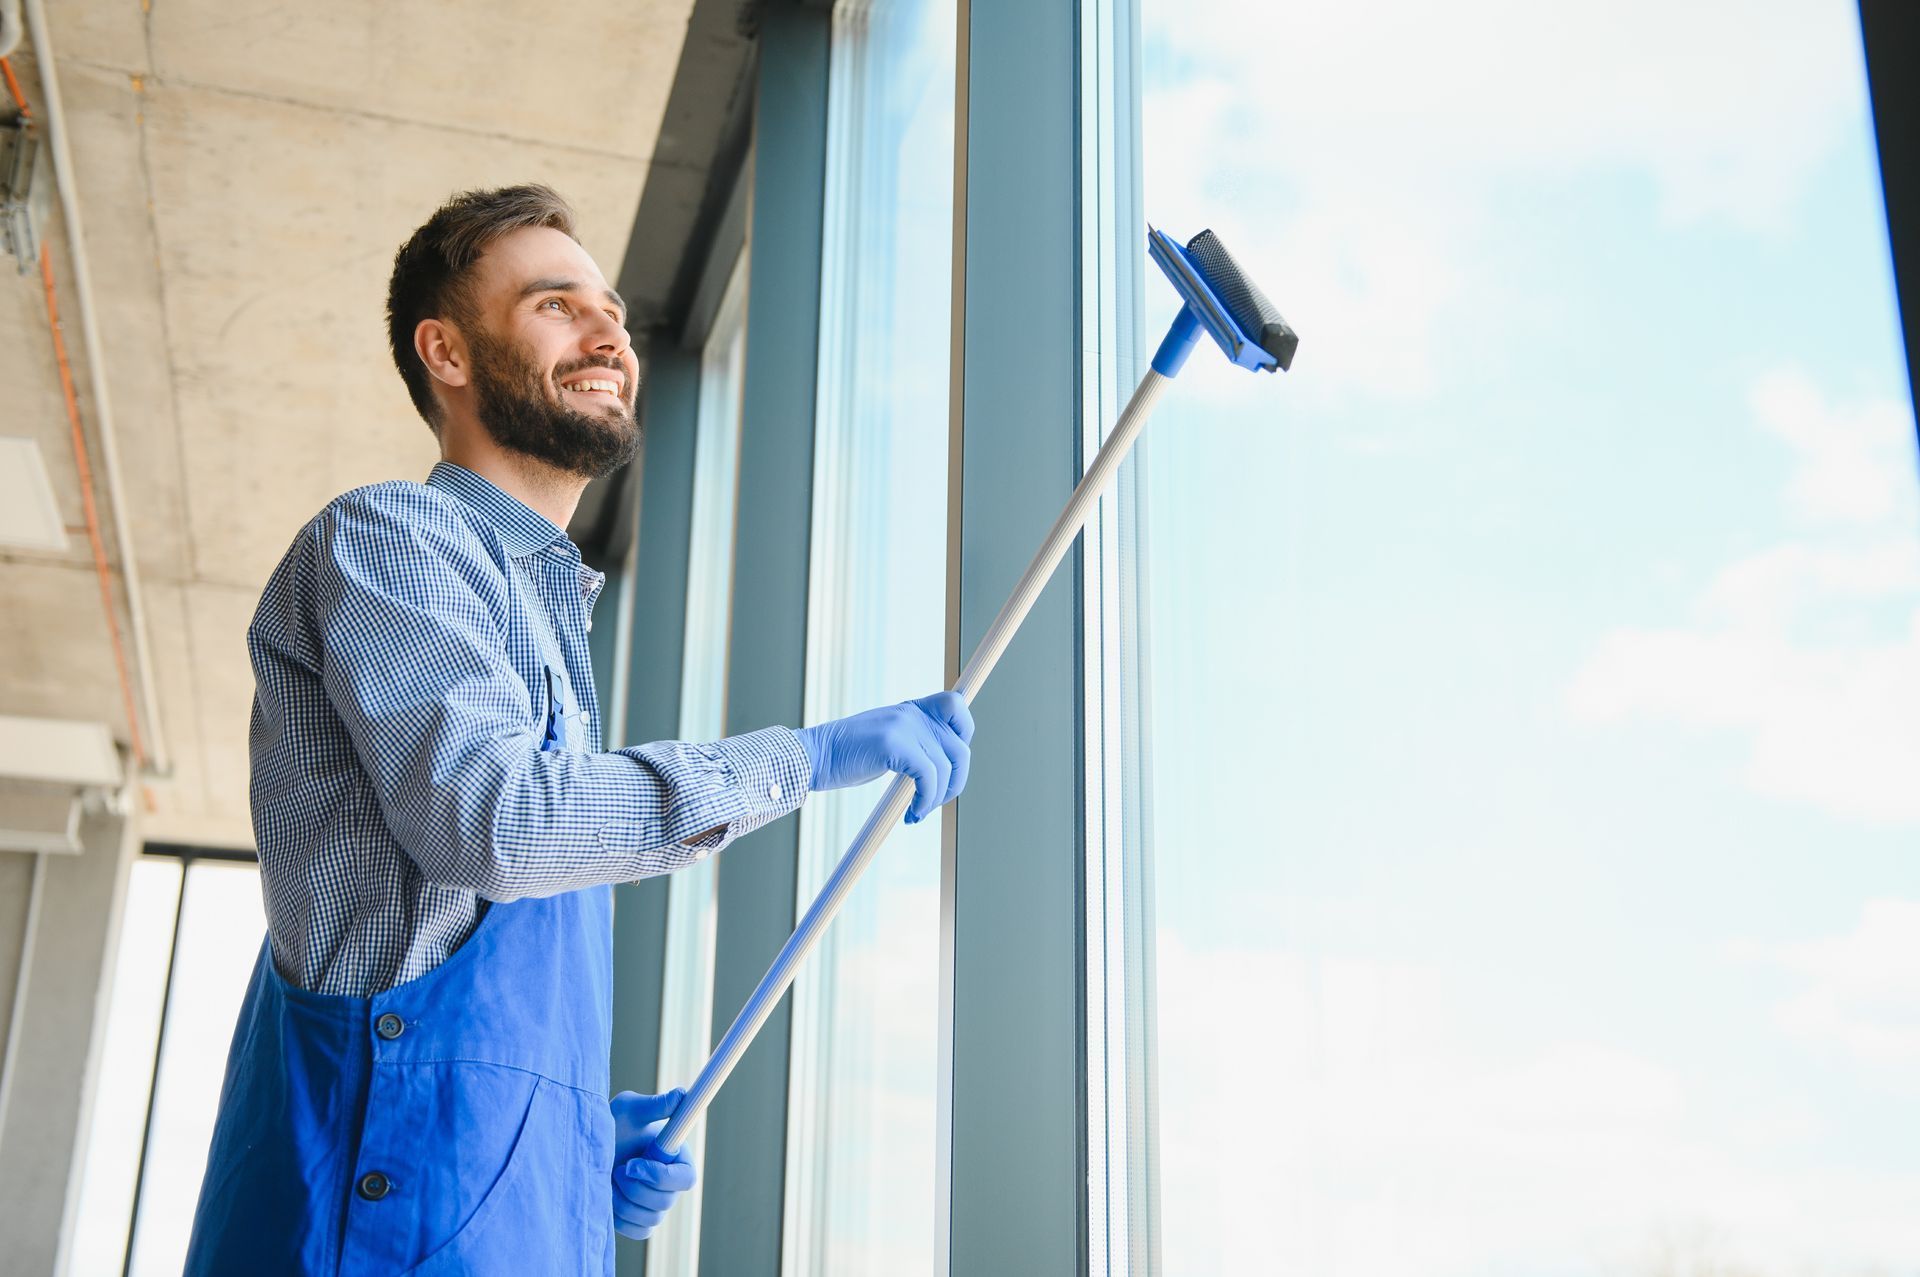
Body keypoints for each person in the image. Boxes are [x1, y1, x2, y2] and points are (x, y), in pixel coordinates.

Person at [182, 184, 974, 1275]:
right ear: (446, 351)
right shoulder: (397, 537)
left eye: (612, 309)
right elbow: (496, 822)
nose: (611, 333)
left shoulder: (548, 627)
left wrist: (565, 1148)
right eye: (558, 304)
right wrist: (811, 756)